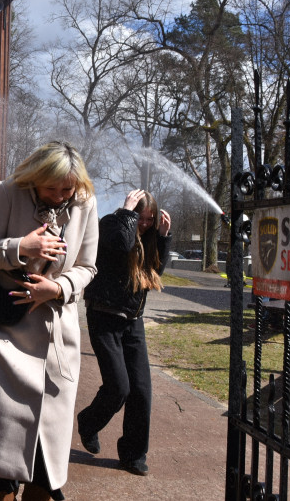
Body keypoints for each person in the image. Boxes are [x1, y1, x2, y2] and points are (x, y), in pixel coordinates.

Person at [0, 141, 98, 501]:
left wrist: (56, 288)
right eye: (51, 188)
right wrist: (20, 247)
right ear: (34, 178)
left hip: (56, 338)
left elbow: (88, 267)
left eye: (66, 189)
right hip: (3, 334)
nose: (59, 196)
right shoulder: (8, 192)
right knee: (3, 465)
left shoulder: (85, 202)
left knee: (45, 469)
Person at [76, 188, 171, 477]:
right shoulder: (110, 224)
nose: (144, 223)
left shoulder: (150, 235)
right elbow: (121, 243)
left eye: (149, 219)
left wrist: (164, 238)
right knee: (119, 387)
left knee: (141, 391)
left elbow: (156, 269)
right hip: (103, 316)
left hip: (133, 321)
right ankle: (89, 423)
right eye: (141, 217)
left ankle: (132, 455)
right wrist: (127, 213)